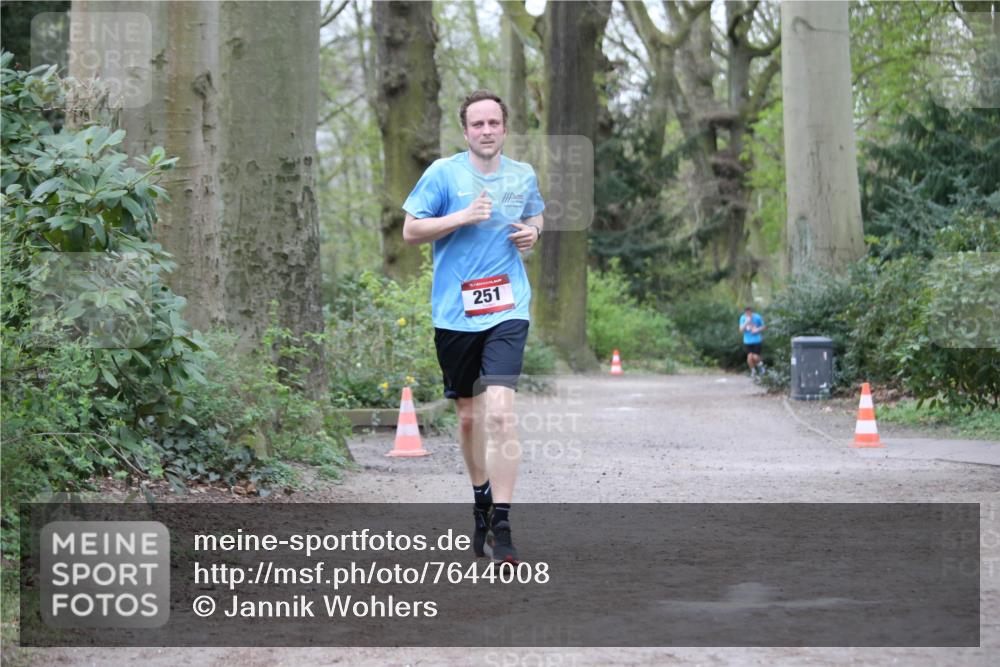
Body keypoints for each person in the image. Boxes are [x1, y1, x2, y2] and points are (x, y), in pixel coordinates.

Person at [401, 90, 544, 564]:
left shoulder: (522, 174)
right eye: (477, 124)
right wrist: (461, 216)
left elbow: (534, 211)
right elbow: (410, 229)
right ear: (465, 132)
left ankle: (502, 523)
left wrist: (534, 232)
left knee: (501, 414)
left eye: (494, 123)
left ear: (505, 128)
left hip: (508, 307)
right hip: (456, 314)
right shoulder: (443, 174)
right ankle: (480, 497)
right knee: (469, 417)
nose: (486, 131)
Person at [739, 306, 766, 378]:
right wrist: (746, 322)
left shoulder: (757, 317)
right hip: (747, 341)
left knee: (755, 357)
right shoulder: (743, 318)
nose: (747, 314)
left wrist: (757, 330)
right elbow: (741, 330)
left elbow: (764, 326)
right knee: (749, 357)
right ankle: (753, 371)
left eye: (749, 312)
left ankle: (761, 366)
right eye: (746, 312)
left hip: (757, 340)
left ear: (751, 312)